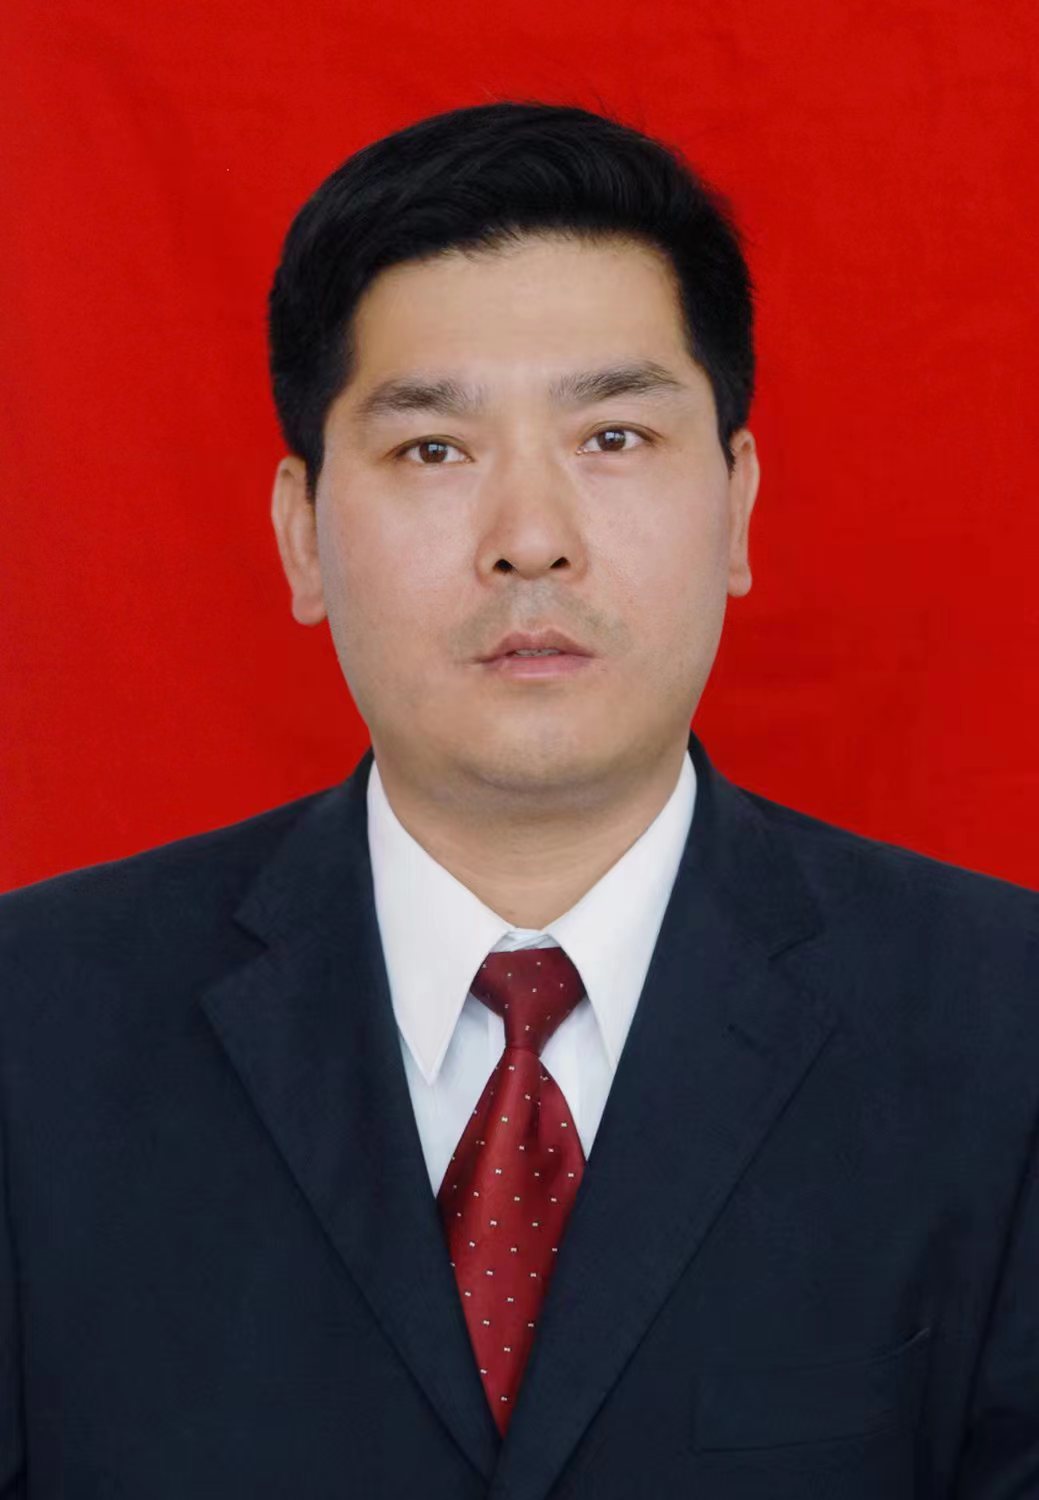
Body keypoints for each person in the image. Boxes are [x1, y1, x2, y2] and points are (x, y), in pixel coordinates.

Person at [0, 98, 1036, 1500]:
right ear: (302, 534)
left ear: (737, 506)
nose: (531, 540)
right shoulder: (33, 1032)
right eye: (435, 449)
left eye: (614, 436)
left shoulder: (1005, 1032)